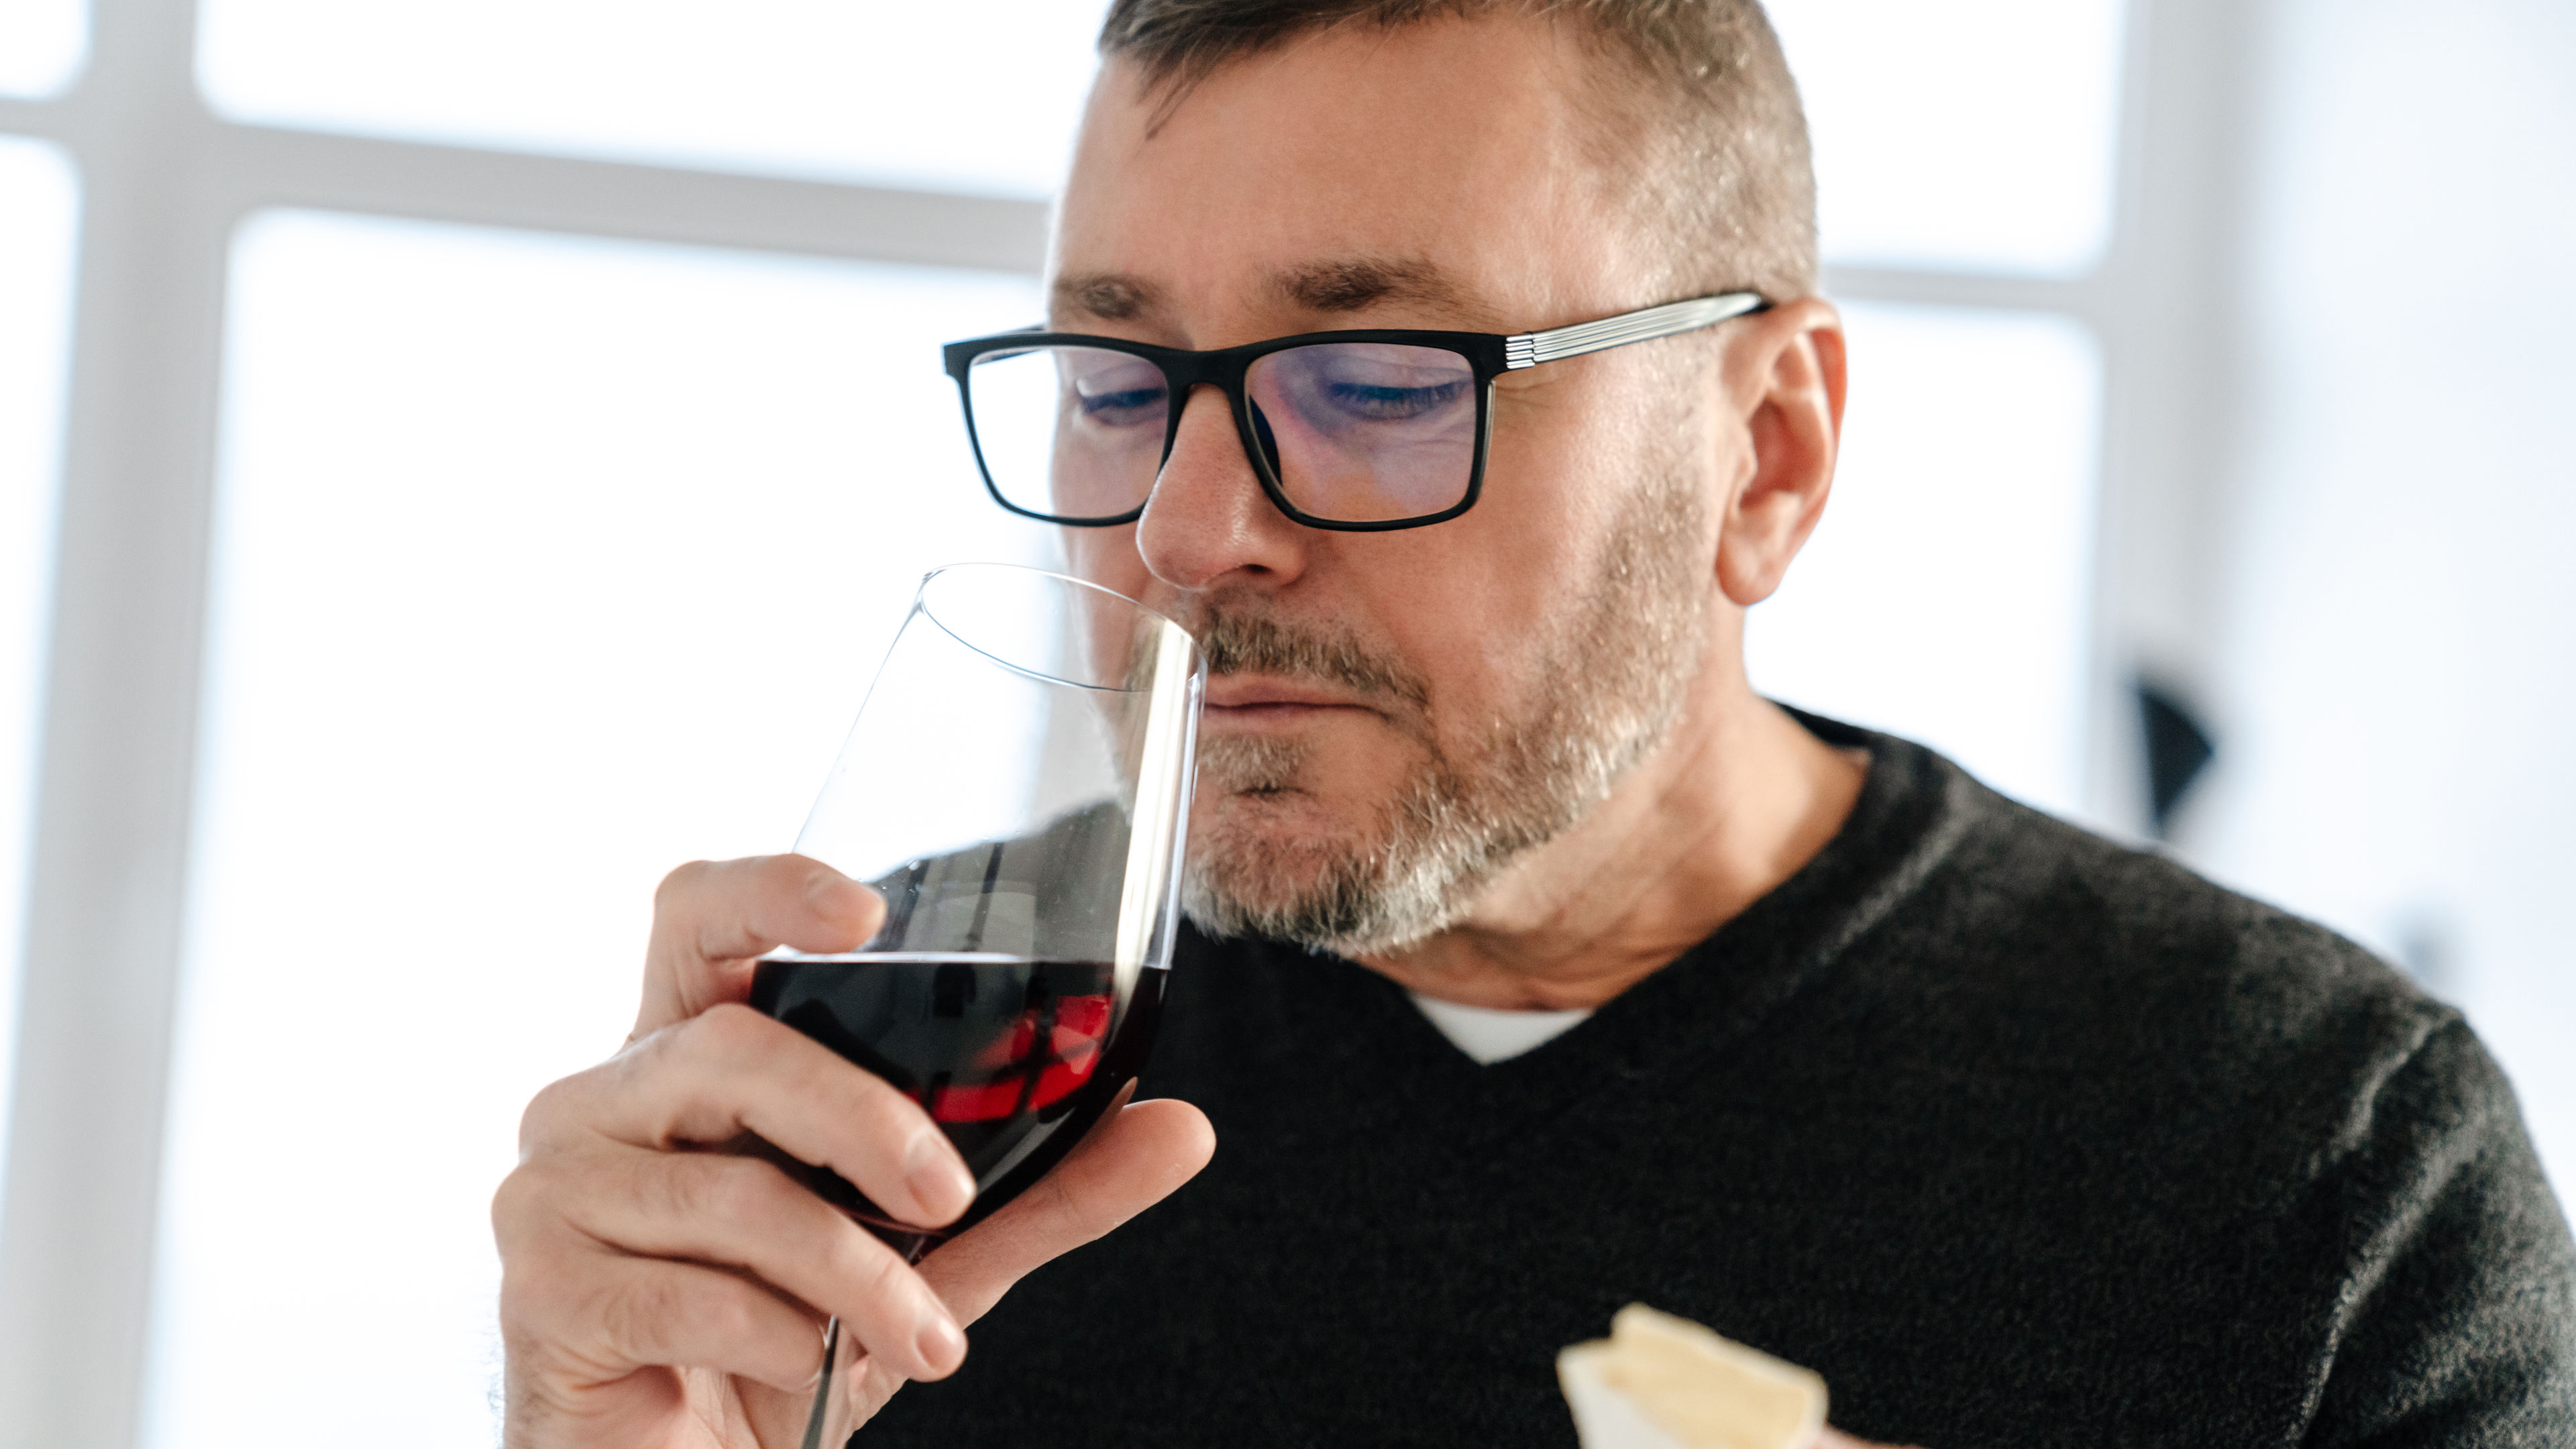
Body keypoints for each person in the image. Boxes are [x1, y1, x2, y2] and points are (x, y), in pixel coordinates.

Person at [490, 2, 2576, 1444]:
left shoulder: (2314, 1162)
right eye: (1118, 384)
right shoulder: (881, 1097)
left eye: (1385, 386)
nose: (1186, 529)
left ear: (1765, 455)